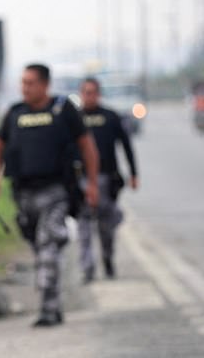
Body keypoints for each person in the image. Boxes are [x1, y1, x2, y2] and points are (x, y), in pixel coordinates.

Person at [0, 63, 99, 327]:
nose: (24, 88)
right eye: (22, 82)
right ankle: (52, 301)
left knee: (48, 246)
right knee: (39, 247)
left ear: (45, 85)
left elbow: (87, 146)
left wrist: (92, 183)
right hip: (24, 195)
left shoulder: (63, 110)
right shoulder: (15, 113)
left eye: (30, 83)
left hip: (56, 191)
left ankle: (49, 308)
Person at [78, 77, 138, 282]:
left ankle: (107, 258)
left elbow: (126, 145)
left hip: (106, 179)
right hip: (82, 180)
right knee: (84, 225)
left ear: (99, 93)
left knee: (106, 227)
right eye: (85, 92)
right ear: (80, 94)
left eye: (92, 92)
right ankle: (87, 268)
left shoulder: (110, 116)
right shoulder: (74, 119)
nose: (89, 96)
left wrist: (133, 173)